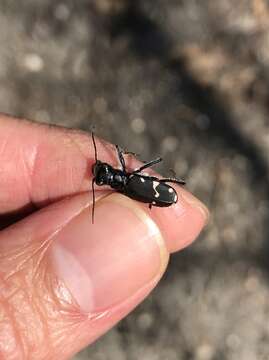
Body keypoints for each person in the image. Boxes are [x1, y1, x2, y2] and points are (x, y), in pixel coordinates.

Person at [0, 114, 209, 359]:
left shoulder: (125, 186)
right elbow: (135, 171)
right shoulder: (128, 182)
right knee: (141, 178)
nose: (106, 173)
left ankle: (170, 186)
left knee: (143, 184)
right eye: (107, 174)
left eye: (107, 172)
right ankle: (170, 186)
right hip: (151, 192)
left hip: (154, 193)